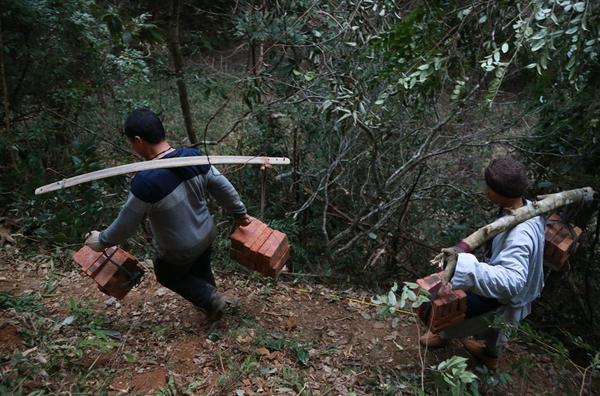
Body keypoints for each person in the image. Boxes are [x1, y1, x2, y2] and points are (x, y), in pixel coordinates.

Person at [84, 108, 251, 321]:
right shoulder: (193, 157)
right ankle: (212, 304)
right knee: (200, 267)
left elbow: (126, 226)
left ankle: (212, 300)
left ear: (137, 140)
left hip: (178, 249)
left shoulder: (145, 183)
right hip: (206, 234)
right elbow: (223, 186)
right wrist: (240, 213)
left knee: (166, 273)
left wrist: (102, 241)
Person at [419, 157, 546, 370]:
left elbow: (512, 280)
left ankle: (446, 336)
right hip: (513, 290)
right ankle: (488, 353)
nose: (485, 190)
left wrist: (466, 267)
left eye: (489, 186)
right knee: (501, 325)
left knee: (448, 307)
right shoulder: (525, 207)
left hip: (507, 292)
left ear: (500, 192)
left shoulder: (520, 235)